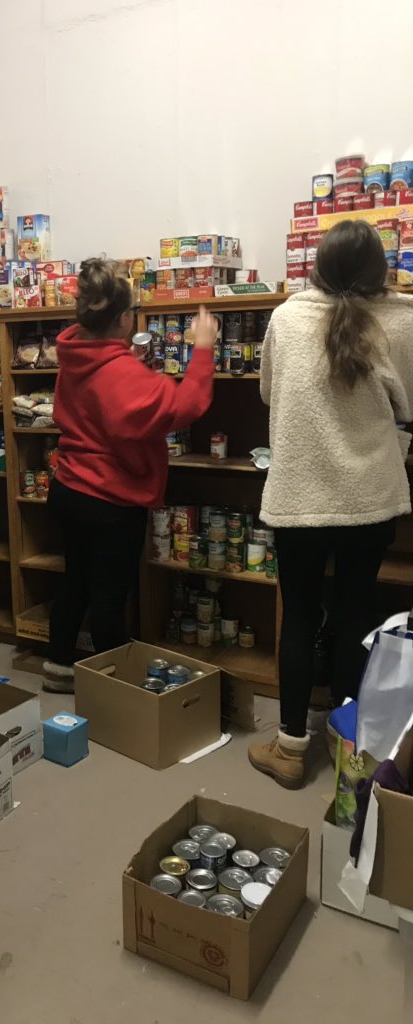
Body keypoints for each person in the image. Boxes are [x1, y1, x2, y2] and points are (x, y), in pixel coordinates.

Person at [248, 220, 413, 789]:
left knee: (299, 617)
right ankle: (350, 753)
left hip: (301, 496)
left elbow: (269, 391)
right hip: (370, 500)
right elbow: (409, 407)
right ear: (378, 270)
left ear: (317, 265)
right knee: (354, 617)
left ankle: (291, 747)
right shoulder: (404, 320)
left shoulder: (287, 316)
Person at [43, 258, 216, 693]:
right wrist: (203, 348)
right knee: (109, 597)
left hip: (69, 488)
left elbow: (108, 401)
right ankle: (114, 691)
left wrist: (132, 365)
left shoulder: (76, 355)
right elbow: (185, 406)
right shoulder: (122, 372)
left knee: (76, 581)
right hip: (110, 499)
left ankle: (59, 667)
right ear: (124, 319)